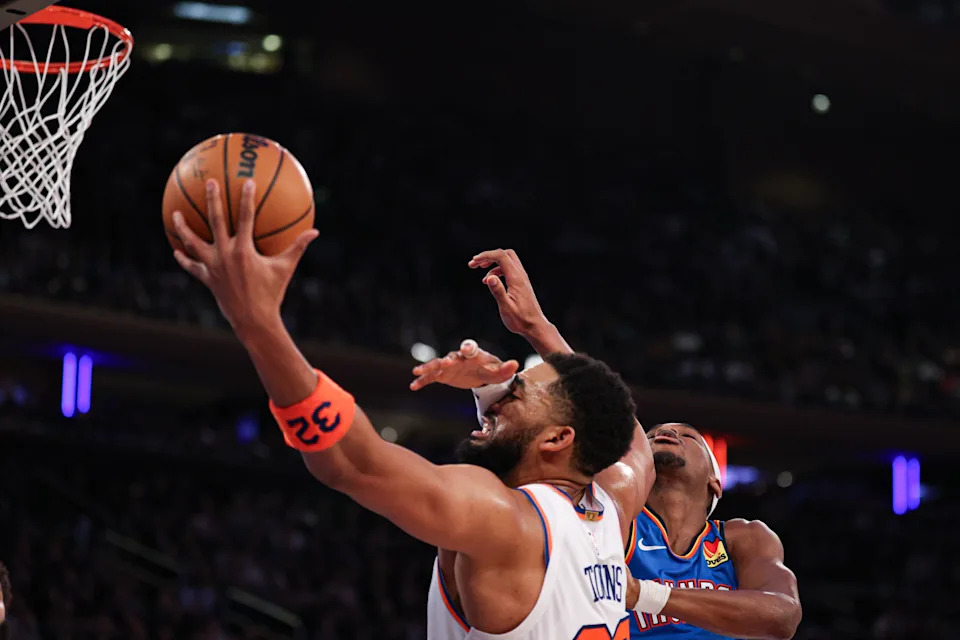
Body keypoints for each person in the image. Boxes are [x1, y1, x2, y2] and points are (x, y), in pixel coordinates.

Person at [170, 180, 652, 640]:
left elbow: (353, 462)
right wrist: (536, 329)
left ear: (558, 439)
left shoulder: (508, 520)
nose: (495, 395)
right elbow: (633, 442)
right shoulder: (612, 504)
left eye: (515, 391)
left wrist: (259, 327)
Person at [412, 249, 801, 640]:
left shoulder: (740, 538)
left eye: (687, 435)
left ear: (715, 484)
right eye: (656, 433)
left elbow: (780, 617)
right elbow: (581, 430)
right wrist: (534, 331)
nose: (665, 432)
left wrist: (642, 594)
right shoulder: (610, 514)